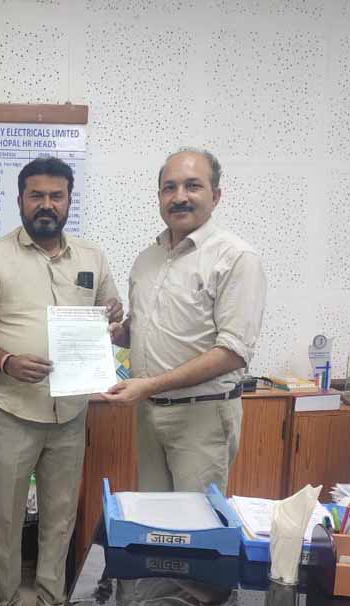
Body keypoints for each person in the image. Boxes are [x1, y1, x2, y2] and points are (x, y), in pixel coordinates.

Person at [0, 156, 122, 606]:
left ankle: (52, 604)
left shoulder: (92, 257)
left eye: (56, 196)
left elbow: (114, 324)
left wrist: (114, 325)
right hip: (11, 409)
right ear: (20, 200)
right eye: (37, 195)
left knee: (59, 516)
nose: (46, 204)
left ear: (69, 201)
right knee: (7, 517)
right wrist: (7, 361)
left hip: (70, 413)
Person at [105, 149, 266, 494]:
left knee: (196, 522)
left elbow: (233, 352)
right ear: (159, 197)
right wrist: (120, 334)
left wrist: (149, 385)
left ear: (216, 195)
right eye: (169, 187)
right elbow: (143, 327)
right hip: (149, 414)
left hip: (201, 417)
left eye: (192, 186)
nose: (179, 197)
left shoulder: (235, 258)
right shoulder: (147, 259)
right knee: (154, 518)